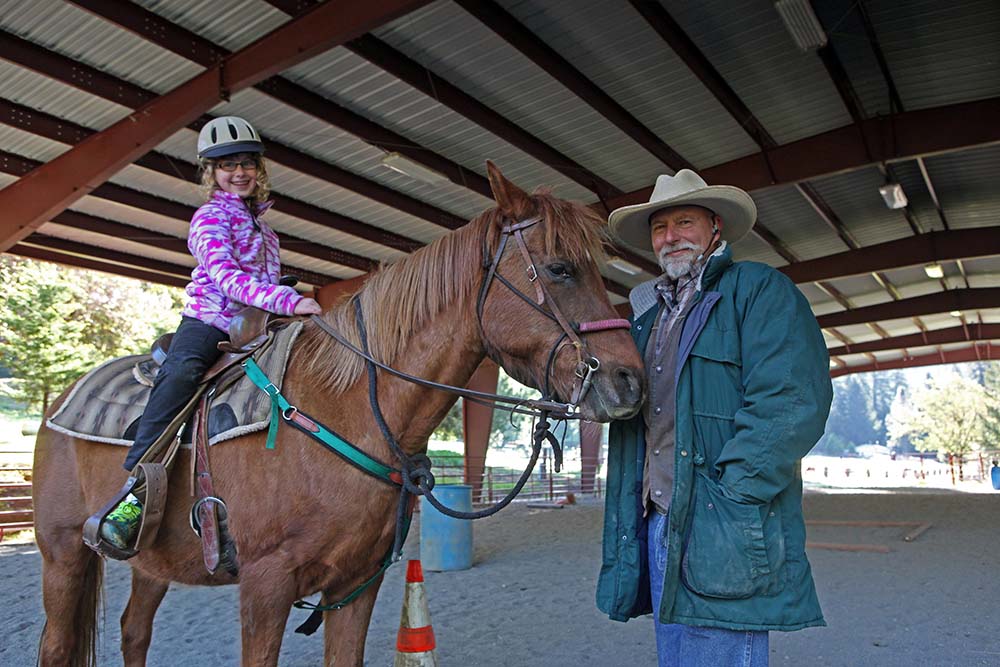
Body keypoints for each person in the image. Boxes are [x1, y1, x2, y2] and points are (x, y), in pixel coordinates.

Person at [598, 170, 833, 666]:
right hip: (659, 519)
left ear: (716, 229)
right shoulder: (646, 319)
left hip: (721, 518)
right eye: (660, 228)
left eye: (685, 221)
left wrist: (732, 495)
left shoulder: (758, 291)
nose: (671, 236)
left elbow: (792, 401)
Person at [98, 116, 322, 550]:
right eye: (227, 165)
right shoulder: (208, 218)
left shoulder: (267, 232)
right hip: (210, 322)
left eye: (246, 163)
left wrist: (280, 298)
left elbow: (262, 283)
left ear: (259, 169)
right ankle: (132, 495)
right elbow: (226, 278)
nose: (239, 172)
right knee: (180, 375)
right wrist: (288, 301)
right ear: (211, 173)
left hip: (257, 328)